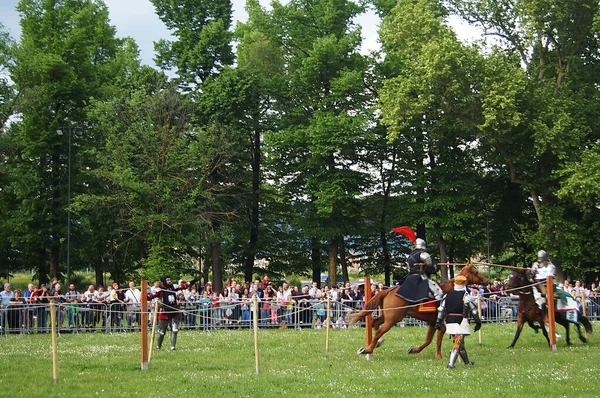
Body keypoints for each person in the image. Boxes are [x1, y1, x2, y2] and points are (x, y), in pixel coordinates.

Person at [435, 275, 481, 369]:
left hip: (449, 321)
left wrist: (438, 322)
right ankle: (451, 364)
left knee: (461, 344)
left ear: (455, 283)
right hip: (461, 321)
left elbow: (441, 310)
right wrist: (478, 323)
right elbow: (474, 312)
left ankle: (467, 363)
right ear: (464, 284)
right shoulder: (466, 296)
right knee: (458, 343)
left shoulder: (447, 295)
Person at [149, 275, 197, 350]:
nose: (169, 281)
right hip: (165, 311)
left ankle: (172, 347)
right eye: (167, 280)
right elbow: (152, 295)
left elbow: (184, 286)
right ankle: (158, 346)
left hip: (174, 310)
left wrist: (194, 280)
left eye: (170, 280)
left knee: (175, 330)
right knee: (161, 332)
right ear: (164, 281)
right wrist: (147, 296)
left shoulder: (173, 287)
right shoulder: (160, 289)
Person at [396, 238, 442, 302]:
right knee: (439, 293)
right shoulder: (423, 254)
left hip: (410, 276)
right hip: (421, 276)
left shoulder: (410, 255)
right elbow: (430, 267)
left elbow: (409, 267)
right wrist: (436, 266)